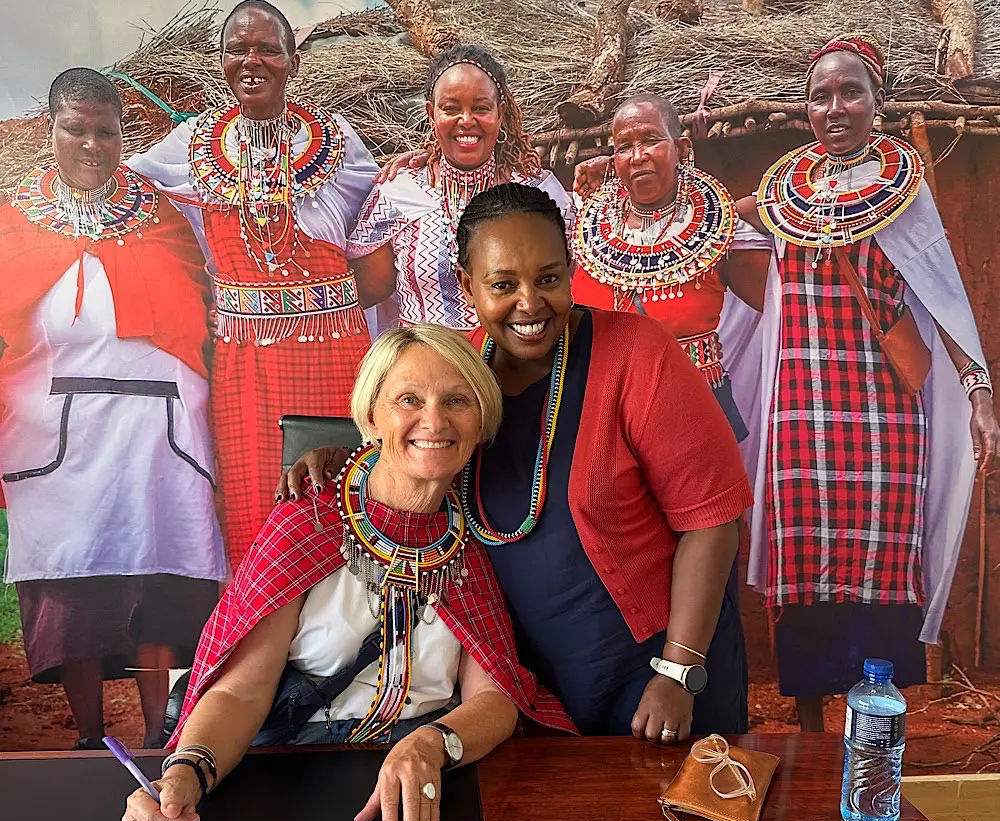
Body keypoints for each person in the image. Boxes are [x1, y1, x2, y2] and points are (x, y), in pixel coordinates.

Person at [281, 183, 754, 743]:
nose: (529, 304)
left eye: (548, 279)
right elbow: (415, 452)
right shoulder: (458, 370)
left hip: (653, 668)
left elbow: (711, 520)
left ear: (571, 271)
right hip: (525, 679)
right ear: (467, 286)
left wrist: (678, 669)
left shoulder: (638, 355)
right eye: (503, 285)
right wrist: (345, 456)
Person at [122, 324, 576, 821]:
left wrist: (432, 744)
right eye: (409, 399)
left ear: (481, 422)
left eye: (457, 400)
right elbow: (240, 691)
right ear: (372, 416)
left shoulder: (478, 536)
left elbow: (495, 697)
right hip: (297, 776)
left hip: (430, 781)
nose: (435, 420)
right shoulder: (307, 521)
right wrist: (187, 774)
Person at [739, 35, 1000, 731]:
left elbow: (944, 298)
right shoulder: (785, 194)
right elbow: (712, 224)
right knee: (802, 569)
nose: (836, 108)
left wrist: (979, 393)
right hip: (799, 418)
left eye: (850, 92)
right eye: (820, 96)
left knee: (883, 569)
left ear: (876, 103)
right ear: (806, 109)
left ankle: (877, 733)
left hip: (885, 421)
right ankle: (812, 738)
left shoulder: (902, 192)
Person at [0, 69, 226, 749]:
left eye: (105, 131)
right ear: (51, 130)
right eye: (76, 129)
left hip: (157, 428)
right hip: (54, 430)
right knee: (75, 581)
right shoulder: (14, 222)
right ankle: (90, 736)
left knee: (159, 573)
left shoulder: (165, 216)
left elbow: (208, 306)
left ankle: (158, 731)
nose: (91, 144)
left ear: (123, 134)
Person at [129, 0, 378, 570]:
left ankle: (347, 627)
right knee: (255, 512)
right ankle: (259, 626)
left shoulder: (337, 139)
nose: (251, 61)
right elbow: (128, 182)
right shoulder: (192, 144)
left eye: (267, 49)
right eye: (237, 49)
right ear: (220, 61)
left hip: (335, 355)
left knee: (345, 506)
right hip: (246, 363)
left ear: (293, 61)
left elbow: (379, 220)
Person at [571, 93, 771, 443]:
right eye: (624, 147)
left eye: (651, 140)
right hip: (602, 419)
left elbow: (784, 304)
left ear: (680, 148)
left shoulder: (718, 231)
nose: (638, 156)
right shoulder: (586, 225)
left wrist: (749, 209)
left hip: (691, 421)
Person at [347, 44, 573, 334]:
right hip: (428, 358)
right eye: (451, 109)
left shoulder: (540, 194)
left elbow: (568, 286)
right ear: (431, 114)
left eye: (481, 108)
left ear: (500, 113)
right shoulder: (398, 193)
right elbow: (366, 293)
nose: (466, 121)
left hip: (518, 358)